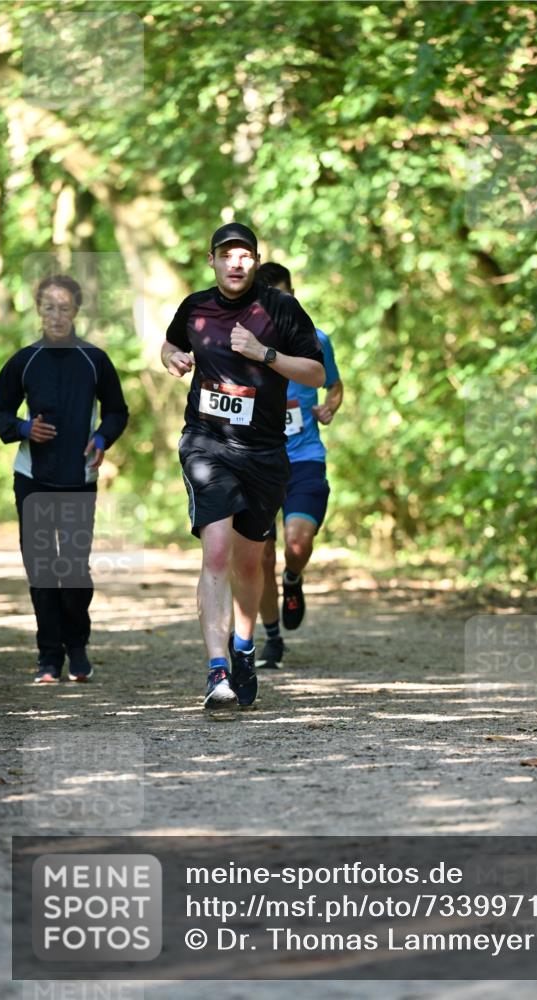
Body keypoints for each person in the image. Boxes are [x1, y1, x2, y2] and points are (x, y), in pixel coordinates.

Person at [161, 223, 324, 709]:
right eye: (227, 255)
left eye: (245, 256)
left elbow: (314, 372)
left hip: (265, 452)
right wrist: (172, 357)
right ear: (211, 260)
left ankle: (244, 648)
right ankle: (216, 672)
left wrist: (265, 354)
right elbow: (171, 344)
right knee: (216, 551)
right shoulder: (195, 308)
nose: (236, 263)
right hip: (207, 445)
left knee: (250, 563)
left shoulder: (281, 309)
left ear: (255, 262)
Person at [0, 274, 129, 682]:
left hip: (78, 477)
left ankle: (77, 645)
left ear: (76, 311)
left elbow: (118, 411)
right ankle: (48, 658)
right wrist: (22, 429)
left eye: (64, 307)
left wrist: (103, 437)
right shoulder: (24, 360)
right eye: (49, 307)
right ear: (38, 309)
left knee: (72, 569)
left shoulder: (94, 360)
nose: (56, 314)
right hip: (32, 478)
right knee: (41, 568)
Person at [254, 262, 343, 669]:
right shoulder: (244, 344)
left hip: (304, 457)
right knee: (259, 558)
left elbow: (335, 385)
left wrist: (329, 407)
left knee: (296, 545)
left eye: (284, 296)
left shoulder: (315, 339)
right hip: (256, 460)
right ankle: (272, 639)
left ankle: (293, 578)